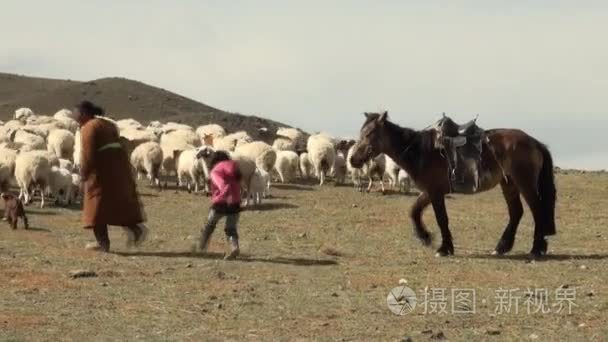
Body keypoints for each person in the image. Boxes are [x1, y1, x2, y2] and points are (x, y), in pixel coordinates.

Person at [72, 100, 148, 252]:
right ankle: (136, 230)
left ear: (84, 113)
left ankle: (103, 244)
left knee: (95, 206)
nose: (74, 116)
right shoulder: (108, 124)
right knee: (117, 204)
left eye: (76, 113)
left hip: (101, 172)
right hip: (118, 169)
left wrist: (84, 175)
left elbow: (87, 154)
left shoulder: (89, 127)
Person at [199, 150, 242, 260]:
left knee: (210, 224)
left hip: (221, 202)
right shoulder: (234, 168)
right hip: (235, 202)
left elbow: (222, 184)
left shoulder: (216, 170)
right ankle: (234, 247)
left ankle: (201, 247)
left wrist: (223, 195)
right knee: (231, 228)